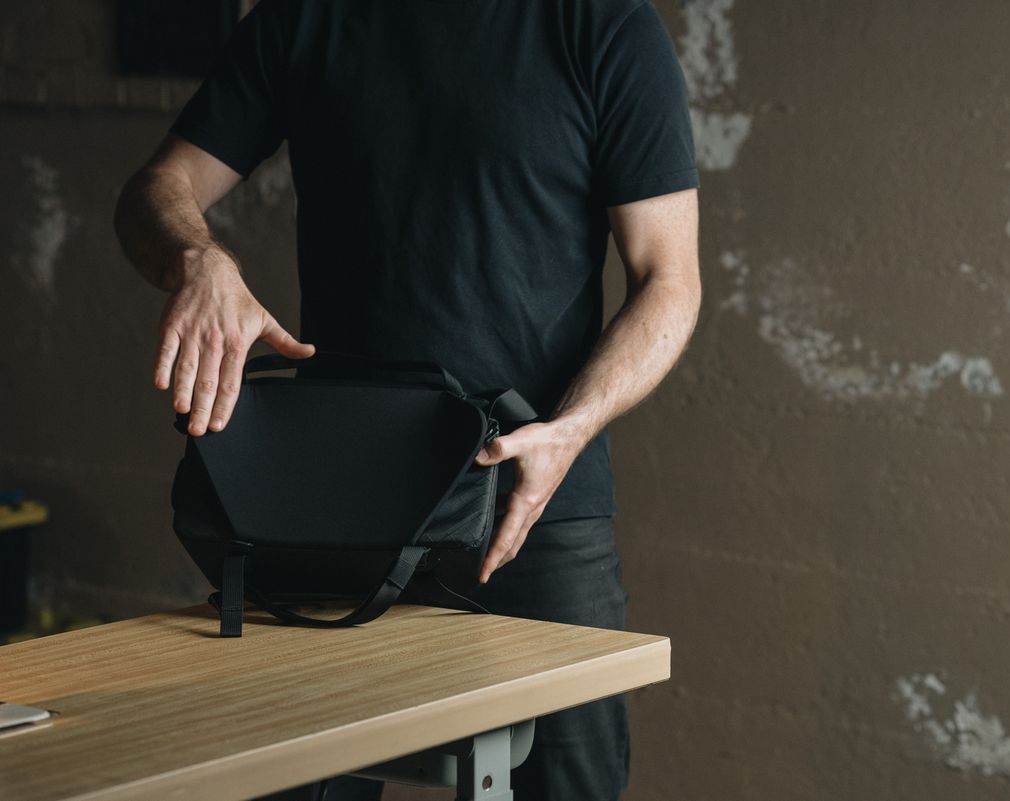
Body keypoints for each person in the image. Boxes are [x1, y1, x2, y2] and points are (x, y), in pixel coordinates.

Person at [113, 1, 700, 799]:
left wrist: (573, 428)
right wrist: (198, 260)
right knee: (289, 779)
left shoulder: (600, 25)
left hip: (530, 507)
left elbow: (670, 280)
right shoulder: (304, 18)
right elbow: (157, 185)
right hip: (335, 515)